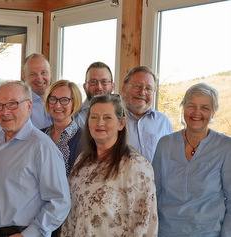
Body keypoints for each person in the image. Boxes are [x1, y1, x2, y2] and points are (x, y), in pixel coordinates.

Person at [0, 81, 71, 237]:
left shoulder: (42, 147)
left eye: (12, 104)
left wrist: (29, 234)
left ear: (29, 106)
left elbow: (60, 202)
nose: (5, 112)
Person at [60, 94, 158, 236]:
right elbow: (70, 216)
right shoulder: (82, 161)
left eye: (107, 117)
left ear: (121, 124)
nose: (100, 123)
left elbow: (144, 224)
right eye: (94, 117)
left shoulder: (136, 166)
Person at [153, 83, 230, 236]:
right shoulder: (165, 144)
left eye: (205, 108)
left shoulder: (226, 147)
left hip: (208, 232)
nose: (197, 113)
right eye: (191, 106)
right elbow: (153, 194)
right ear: (184, 107)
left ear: (213, 112)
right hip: (166, 231)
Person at [121, 66, 172, 162]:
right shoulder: (112, 118)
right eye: (137, 86)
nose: (142, 92)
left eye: (148, 89)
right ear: (124, 87)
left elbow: (170, 159)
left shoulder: (163, 122)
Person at [42, 80, 83, 176]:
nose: (57, 105)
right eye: (53, 99)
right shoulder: (39, 135)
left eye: (64, 100)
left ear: (74, 103)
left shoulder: (85, 140)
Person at [75, 61, 115, 127]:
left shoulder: (121, 115)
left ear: (112, 86)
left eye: (104, 82)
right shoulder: (73, 116)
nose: (99, 87)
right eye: (93, 82)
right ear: (85, 87)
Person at [22, 53, 53, 129]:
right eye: (33, 74)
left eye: (43, 73)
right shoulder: (20, 106)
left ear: (50, 73)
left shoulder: (62, 102)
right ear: (24, 76)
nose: (39, 78)